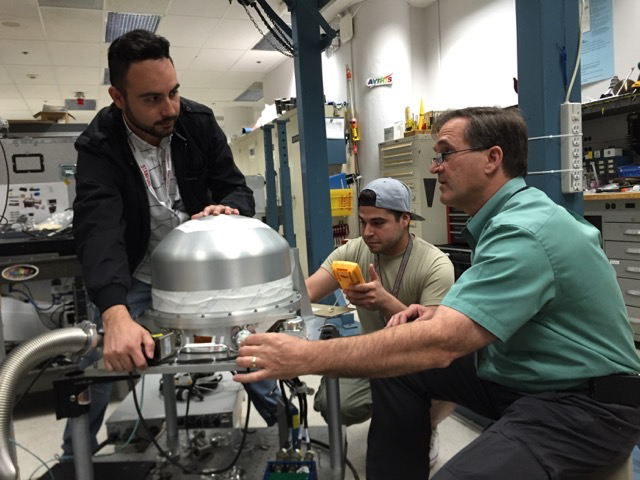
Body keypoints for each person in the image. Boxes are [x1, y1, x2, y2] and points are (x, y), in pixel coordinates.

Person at [234, 107, 640, 479]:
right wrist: (434, 317)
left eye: (445, 154)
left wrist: (305, 357)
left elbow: (444, 343)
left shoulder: (524, 230)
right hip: (529, 374)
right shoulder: (501, 223)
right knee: (402, 372)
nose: (434, 166)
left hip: (586, 406)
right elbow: (473, 317)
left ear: (492, 158)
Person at [67, 29, 276, 457]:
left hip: (199, 276)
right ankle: (74, 459)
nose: (169, 109)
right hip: (135, 274)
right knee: (94, 368)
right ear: (118, 97)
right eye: (152, 99)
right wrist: (114, 311)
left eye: (174, 92)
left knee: (252, 356)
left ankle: (282, 435)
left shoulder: (196, 123)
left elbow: (238, 190)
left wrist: (228, 209)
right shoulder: (99, 145)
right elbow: (99, 227)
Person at [306, 177, 455, 467]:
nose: (367, 232)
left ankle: (427, 425)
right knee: (332, 404)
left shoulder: (436, 266)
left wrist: (385, 302)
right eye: (362, 222)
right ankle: (396, 415)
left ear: (405, 220)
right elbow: (308, 290)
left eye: (378, 223)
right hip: (376, 352)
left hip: (419, 360)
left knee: (445, 379)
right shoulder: (354, 251)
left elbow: (434, 338)